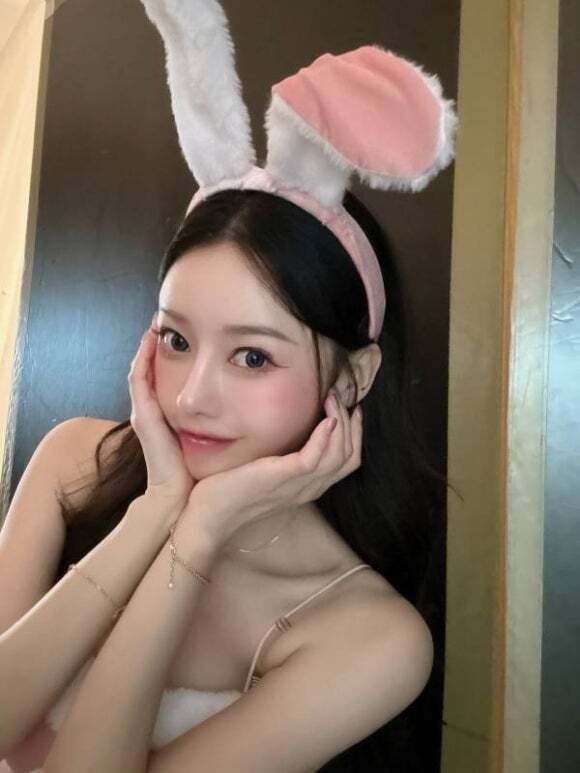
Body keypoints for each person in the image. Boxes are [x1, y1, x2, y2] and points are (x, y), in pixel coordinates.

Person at [0, 1, 457, 770]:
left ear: (354, 376)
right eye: (176, 339)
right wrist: (155, 511)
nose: (189, 398)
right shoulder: (75, 461)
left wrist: (200, 530)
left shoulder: (371, 636)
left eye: (252, 356)